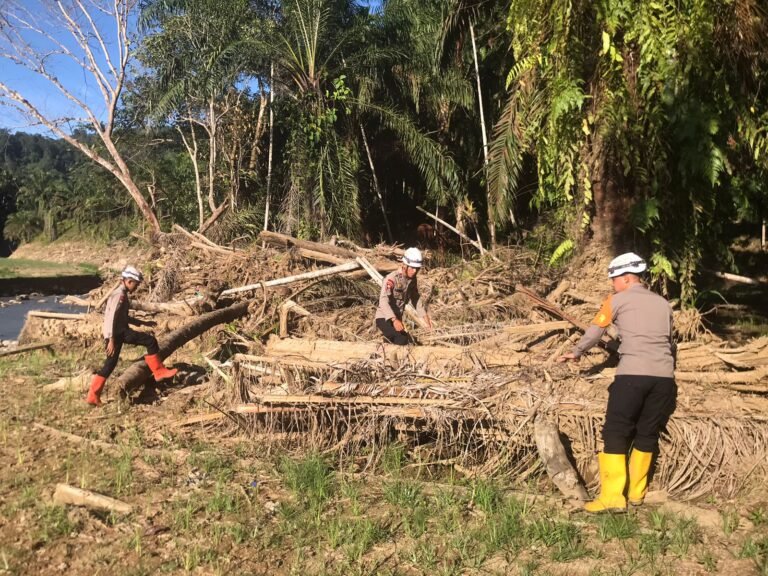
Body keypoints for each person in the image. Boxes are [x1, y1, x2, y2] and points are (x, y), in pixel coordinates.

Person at [559, 252, 676, 513]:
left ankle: (612, 498)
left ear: (626, 278)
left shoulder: (616, 300)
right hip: (664, 378)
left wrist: (576, 352)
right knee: (647, 432)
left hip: (632, 375)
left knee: (615, 430)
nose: (612, 285)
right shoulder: (663, 304)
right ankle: (636, 494)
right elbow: (668, 342)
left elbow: (595, 331)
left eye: (614, 279)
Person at [86, 265, 178, 406]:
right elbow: (111, 317)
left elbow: (123, 317)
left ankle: (93, 396)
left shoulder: (121, 294)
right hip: (117, 334)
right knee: (150, 341)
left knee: (110, 364)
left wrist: (142, 322)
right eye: (136, 284)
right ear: (129, 281)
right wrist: (110, 339)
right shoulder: (119, 295)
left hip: (119, 333)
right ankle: (159, 372)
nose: (136, 287)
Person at [375, 247, 433, 345]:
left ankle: (384, 349)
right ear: (404, 265)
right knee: (401, 340)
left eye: (417, 269)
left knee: (410, 341)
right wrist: (394, 320)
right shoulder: (392, 279)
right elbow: (383, 301)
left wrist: (425, 317)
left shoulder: (412, 280)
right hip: (384, 317)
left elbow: (416, 299)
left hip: (398, 318)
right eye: (412, 268)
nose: (414, 271)